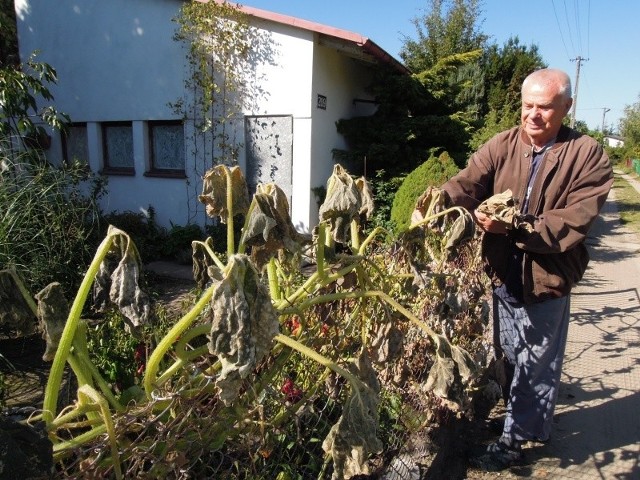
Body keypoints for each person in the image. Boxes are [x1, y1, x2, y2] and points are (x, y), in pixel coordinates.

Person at [439, 68, 613, 470]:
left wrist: (515, 227)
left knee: (537, 363)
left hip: (547, 278)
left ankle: (514, 442)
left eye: (545, 107)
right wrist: (439, 200)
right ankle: (523, 421)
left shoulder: (588, 155)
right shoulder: (503, 144)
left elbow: (573, 221)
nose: (533, 115)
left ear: (567, 107)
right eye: (528, 106)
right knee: (508, 356)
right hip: (501, 274)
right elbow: (468, 182)